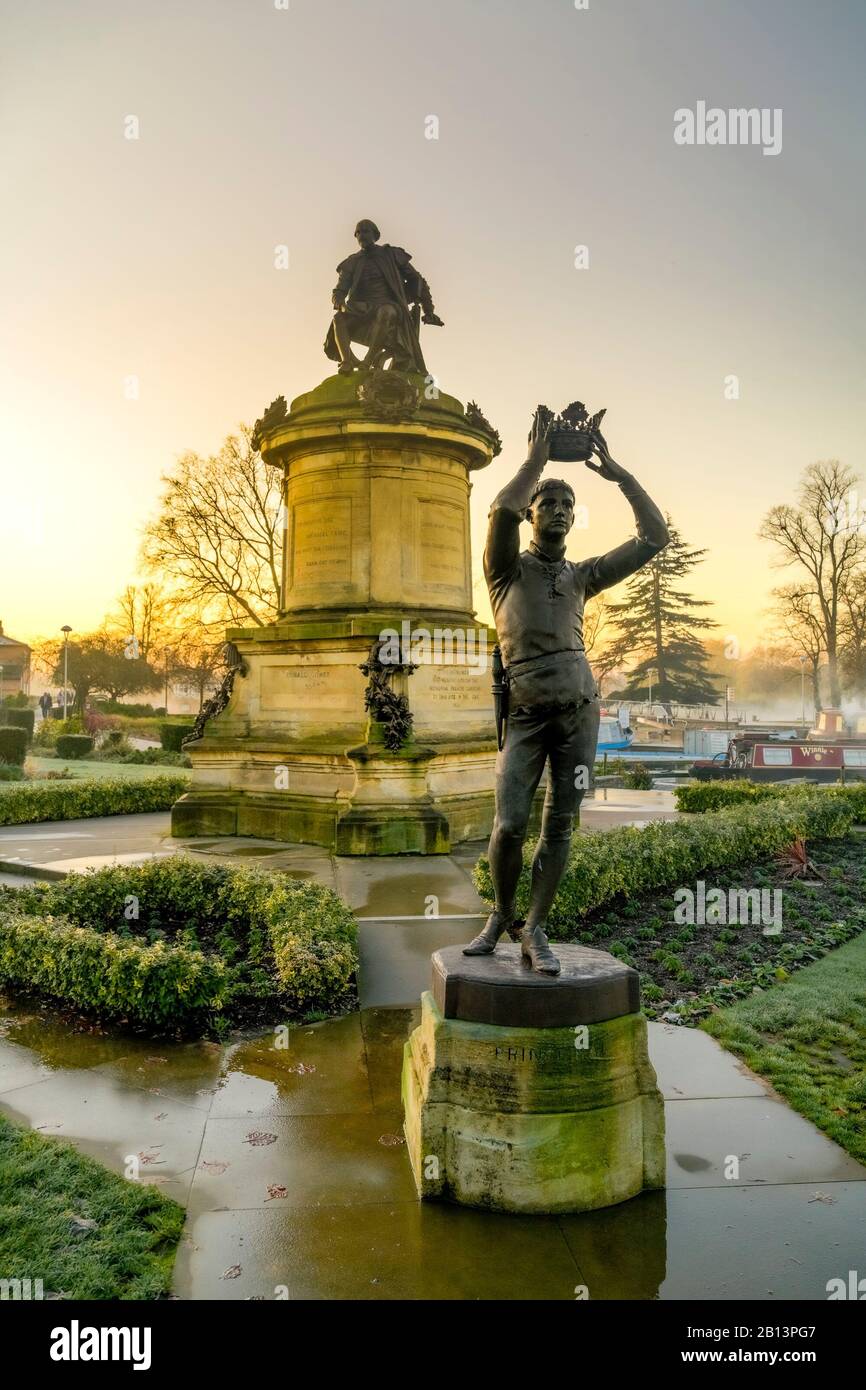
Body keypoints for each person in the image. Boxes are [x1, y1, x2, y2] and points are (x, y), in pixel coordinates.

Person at [463, 409, 669, 974]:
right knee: (509, 825)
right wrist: (536, 459)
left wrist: (621, 476)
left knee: (560, 826)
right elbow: (500, 507)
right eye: (548, 503)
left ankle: (535, 929)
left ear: (575, 519)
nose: (558, 510)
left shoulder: (581, 574)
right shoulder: (504, 570)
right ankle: (500, 915)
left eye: (567, 506)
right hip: (525, 715)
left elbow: (655, 537)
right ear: (533, 513)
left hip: (580, 713)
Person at [324, 219, 444, 375]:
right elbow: (339, 292)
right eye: (358, 232)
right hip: (361, 308)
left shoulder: (391, 254)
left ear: (375, 235)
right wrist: (341, 305)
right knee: (338, 319)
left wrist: (428, 310)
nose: (362, 235)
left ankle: (367, 361)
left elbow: (417, 279)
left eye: (366, 231)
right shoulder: (351, 262)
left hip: (389, 305)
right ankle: (346, 362)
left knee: (386, 311)